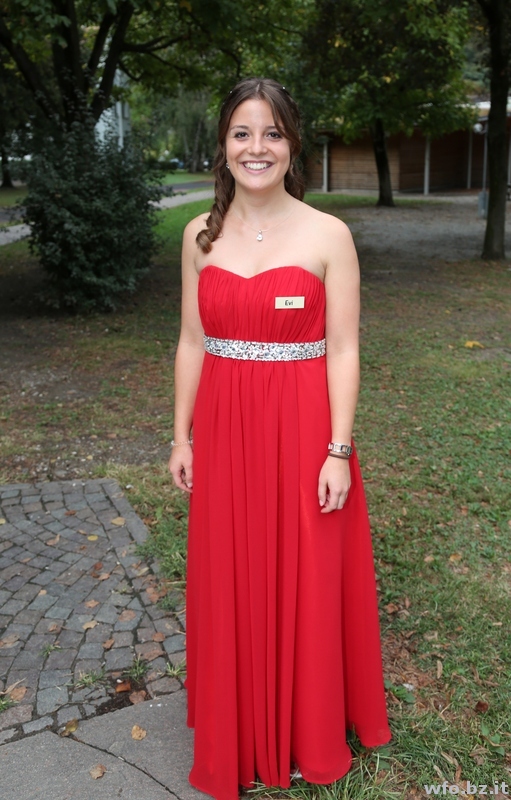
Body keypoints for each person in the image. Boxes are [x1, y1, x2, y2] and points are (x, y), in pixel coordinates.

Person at [168, 77, 391, 800]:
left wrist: (338, 449)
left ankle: (307, 729)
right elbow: (192, 341)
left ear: (293, 144)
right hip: (224, 432)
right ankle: (237, 726)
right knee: (230, 574)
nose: (255, 147)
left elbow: (344, 350)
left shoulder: (329, 235)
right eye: (242, 133)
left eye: (271, 133)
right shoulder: (198, 235)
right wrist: (181, 437)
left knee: (308, 576)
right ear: (223, 145)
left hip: (303, 433)